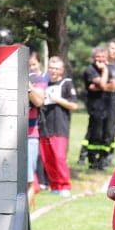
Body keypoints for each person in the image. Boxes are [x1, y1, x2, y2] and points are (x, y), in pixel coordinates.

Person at [39, 56, 78, 197]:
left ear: (62, 70)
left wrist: (58, 100)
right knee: (47, 158)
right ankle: (54, 185)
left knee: (59, 157)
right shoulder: (43, 84)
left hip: (59, 127)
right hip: (44, 126)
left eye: (56, 68)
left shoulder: (66, 83)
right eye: (51, 67)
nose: (53, 71)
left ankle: (64, 185)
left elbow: (74, 105)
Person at [82, 46, 110, 170]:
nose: (100, 59)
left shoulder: (108, 68)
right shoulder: (90, 70)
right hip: (95, 106)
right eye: (98, 56)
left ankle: (102, 161)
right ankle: (92, 161)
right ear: (93, 57)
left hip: (107, 106)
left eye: (103, 56)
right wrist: (105, 72)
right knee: (95, 134)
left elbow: (112, 85)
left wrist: (103, 85)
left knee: (106, 134)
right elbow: (104, 85)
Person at [26, 52, 48, 209]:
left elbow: (39, 101)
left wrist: (26, 83)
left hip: (29, 136)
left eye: (33, 64)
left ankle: (23, 219)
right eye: (27, 64)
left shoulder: (38, 80)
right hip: (11, 136)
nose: (30, 68)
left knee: (28, 181)